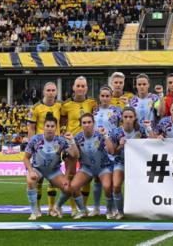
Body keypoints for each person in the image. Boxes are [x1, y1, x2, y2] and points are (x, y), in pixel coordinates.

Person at [55, 113, 114, 219]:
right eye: (84, 123)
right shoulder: (77, 137)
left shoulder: (100, 135)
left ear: (93, 123)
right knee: (73, 186)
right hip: (87, 168)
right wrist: (71, 143)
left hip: (103, 167)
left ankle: (109, 211)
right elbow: (76, 155)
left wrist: (106, 136)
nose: (87, 125)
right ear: (81, 124)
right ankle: (83, 211)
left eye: (89, 122)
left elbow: (111, 150)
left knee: (107, 186)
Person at [23, 113, 79, 220]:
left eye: (52, 126)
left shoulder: (61, 141)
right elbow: (25, 158)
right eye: (47, 126)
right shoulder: (35, 139)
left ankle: (56, 207)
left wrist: (72, 141)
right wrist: (31, 171)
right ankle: (34, 212)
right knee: (30, 181)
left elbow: (75, 155)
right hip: (37, 169)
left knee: (68, 189)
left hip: (54, 172)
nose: (49, 128)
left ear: (56, 128)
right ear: (43, 127)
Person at [61, 76, 97, 215]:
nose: (80, 88)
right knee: (70, 175)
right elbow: (62, 122)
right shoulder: (66, 105)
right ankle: (73, 208)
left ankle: (84, 207)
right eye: (78, 86)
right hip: (71, 144)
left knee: (86, 176)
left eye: (83, 86)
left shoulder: (92, 103)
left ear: (87, 88)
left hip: (87, 144)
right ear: (73, 88)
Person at [107, 107, 150, 219]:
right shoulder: (116, 132)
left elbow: (152, 144)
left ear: (135, 118)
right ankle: (120, 212)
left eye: (130, 117)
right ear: (122, 118)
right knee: (116, 185)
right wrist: (120, 145)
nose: (128, 119)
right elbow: (113, 152)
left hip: (137, 163)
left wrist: (149, 130)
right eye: (125, 117)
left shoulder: (141, 130)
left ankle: (143, 209)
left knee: (143, 186)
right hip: (120, 162)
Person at [26, 82, 62, 216]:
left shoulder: (59, 106)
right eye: (48, 90)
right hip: (40, 148)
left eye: (53, 90)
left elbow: (62, 122)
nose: (51, 93)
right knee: (38, 180)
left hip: (55, 147)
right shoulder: (36, 108)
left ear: (56, 92)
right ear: (44, 92)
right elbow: (31, 128)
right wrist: (32, 145)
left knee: (52, 178)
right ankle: (38, 208)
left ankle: (52, 208)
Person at [91, 86, 122, 216]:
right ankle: (96, 208)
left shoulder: (117, 111)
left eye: (107, 96)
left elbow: (121, 127)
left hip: (111, 146)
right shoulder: (94, 111)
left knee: (113, 180)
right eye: (102, 96)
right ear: (99, 96)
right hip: (97, 147)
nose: (105, 98)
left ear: (111, 97)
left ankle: (115, 208)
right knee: (97, 178)